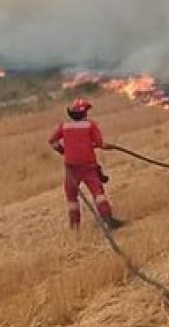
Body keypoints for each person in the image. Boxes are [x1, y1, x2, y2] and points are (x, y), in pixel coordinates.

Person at [48, 98, 125, 230]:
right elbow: (101, 144)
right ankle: (108, 220)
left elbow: (52, 142)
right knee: (98, 193)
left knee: (71, 196)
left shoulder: (64, 126)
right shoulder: (90, 125)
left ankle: (75, 226)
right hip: (88, 165)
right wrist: (110, 146)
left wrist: (64, 151)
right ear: (84, 114)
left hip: (71, 167)